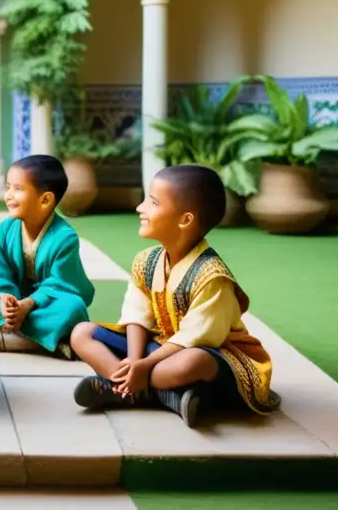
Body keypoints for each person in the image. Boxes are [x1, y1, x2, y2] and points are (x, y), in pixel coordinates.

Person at [69, 164, 280, 427]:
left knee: (190, 363)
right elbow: (137, 316)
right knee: (81, 334)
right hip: (157, 349)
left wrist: (145, 366)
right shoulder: (146, 260)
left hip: (212, 356)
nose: (140, 208)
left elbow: (195, 339)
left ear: (185, 220)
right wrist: (136, 361)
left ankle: (122, 389)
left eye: (153, 202)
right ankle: (153, 392)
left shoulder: (212, 277)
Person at [0, 154, 94, 357]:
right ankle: (43, 341)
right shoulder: (3, 231)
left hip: (45, 304)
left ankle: (1, 338)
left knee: (72, 308)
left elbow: (61, 284)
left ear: (45, 199)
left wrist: (29, 304)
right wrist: (7, 300)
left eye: (18, 189)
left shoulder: (65, 237)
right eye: (8, 187)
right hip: (13, 303)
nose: (9, 195)